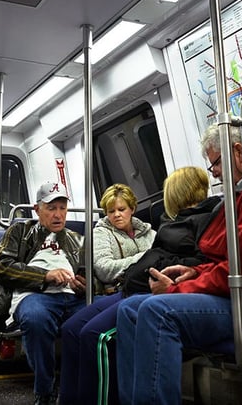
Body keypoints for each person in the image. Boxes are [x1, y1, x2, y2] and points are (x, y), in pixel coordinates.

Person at [115, 123, 242, 405]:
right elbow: (229, 260)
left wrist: (178, 290)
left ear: (237, 152)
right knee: (128, 309)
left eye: (215, 163)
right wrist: (194, 272)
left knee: (157, 310)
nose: (214, 173)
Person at [58, 169, 213, 405]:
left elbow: (191, 261)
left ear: (132, 209)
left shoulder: (160, 229)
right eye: (112, 211)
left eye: (122, 209)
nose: (117, 215)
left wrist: (144, 260)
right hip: (125, 286)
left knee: (94, 336)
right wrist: (142, 260)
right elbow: (104, 268)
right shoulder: (106, 232)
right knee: (70, 328)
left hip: (143, 289)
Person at [0, 181, 87, 405]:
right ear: (37, 209)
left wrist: (85, 286)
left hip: (73, 298)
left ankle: (90, 387)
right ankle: (45, 391)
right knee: (36, 318)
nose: (58, 215)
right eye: (51, 208)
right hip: (34, 296)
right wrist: (44, 276)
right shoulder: (20, 231)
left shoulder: (76, 239)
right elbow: (1, 267)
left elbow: (88, 276)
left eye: (62, 208)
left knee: (110, 310)